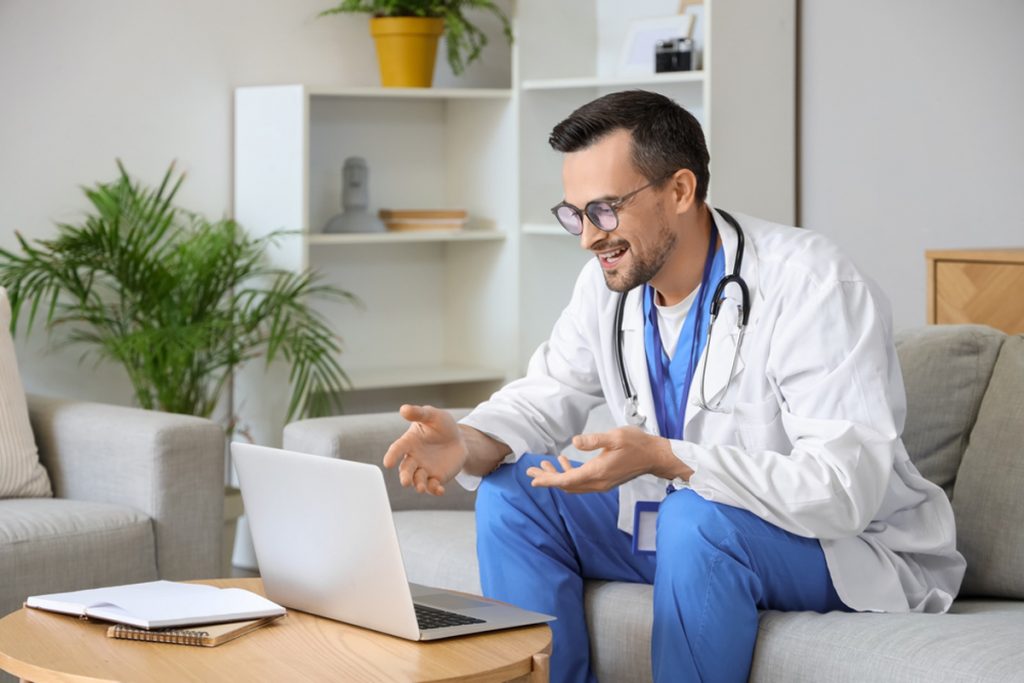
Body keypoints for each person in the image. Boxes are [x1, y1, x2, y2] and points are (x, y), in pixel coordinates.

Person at [382, 90, 964, 683]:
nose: (587, 237)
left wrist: (667, 459)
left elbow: (843, 491)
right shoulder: (607, 285)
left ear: (680, 191)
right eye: (575, 214)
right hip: (681, 522)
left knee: (696, 518)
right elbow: (545, 393)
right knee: (514, 493)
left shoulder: (813, 283)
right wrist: (468, 439)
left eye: (604, 210)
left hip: (840, 544)